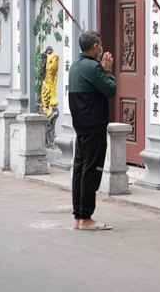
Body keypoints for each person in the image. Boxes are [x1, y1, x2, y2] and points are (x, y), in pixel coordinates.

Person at [68, 30, 116, 231]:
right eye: (100, 43)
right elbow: (110, 90)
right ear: (95, 46)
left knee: (80, 169)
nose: (102, 47)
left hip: (81, 127)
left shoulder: (75, 66)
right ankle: (86, 218)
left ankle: (79, 216)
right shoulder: (93, 68)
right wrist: (107, 70)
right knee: (91, 171)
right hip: (94, 127)